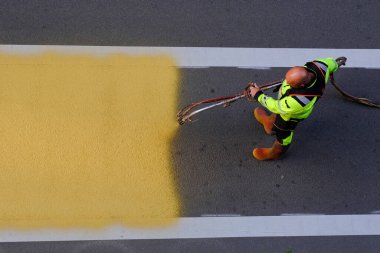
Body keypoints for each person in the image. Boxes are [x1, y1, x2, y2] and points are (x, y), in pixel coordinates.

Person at [248, 57, 345, 161]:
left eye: (290, 84)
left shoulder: (300, 100)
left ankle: (276, 152)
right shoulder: (320, 66)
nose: (286, 83)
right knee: (276, 115)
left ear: (302, 85)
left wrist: (258, 95)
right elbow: (331, 64)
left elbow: (277, 106)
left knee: (284, 134)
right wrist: (337, 63)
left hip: (290, 117)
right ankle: (270, 124)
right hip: (285, 106)